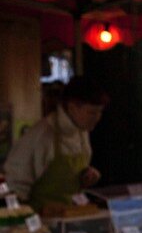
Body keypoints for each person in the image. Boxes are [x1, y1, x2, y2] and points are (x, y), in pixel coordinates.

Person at [4, 76, 108, 214]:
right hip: (40, 223)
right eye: (92, 112)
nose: (97, 117)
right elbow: (14, 186)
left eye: (100, 112)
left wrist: (85, 175)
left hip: (69, 216)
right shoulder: (41, 135)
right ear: (72, 107)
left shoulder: (81, 131)